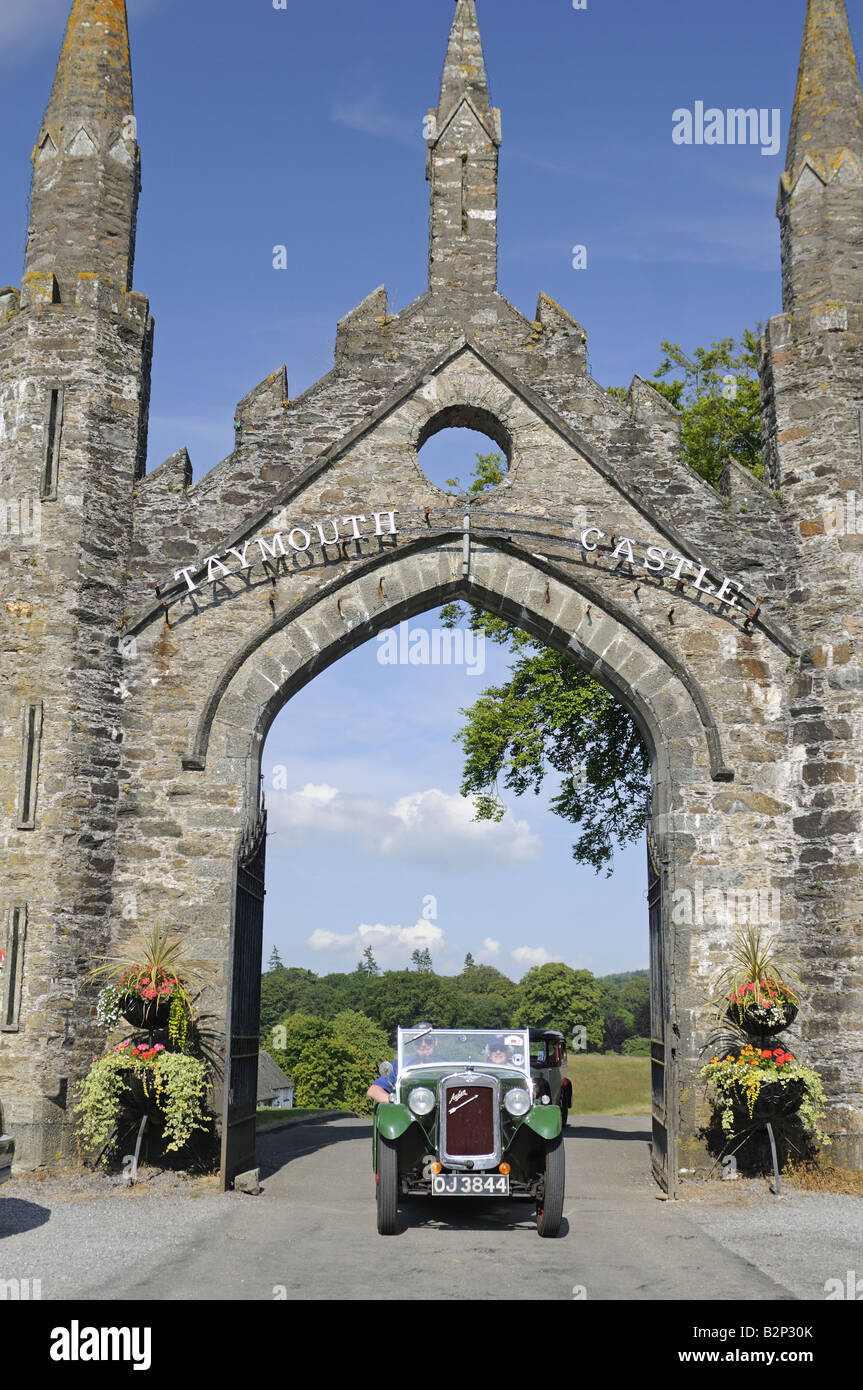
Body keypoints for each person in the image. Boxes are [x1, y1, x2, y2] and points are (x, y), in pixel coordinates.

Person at [366, 1025, 436, 1104]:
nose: (423, 1044)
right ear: (413, 1044)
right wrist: (396, 1101)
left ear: (435, 1042)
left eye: (428, 1040)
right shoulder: (401, 1064)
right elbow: (373, 1090)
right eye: (418, 1041)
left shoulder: (444, 1065)